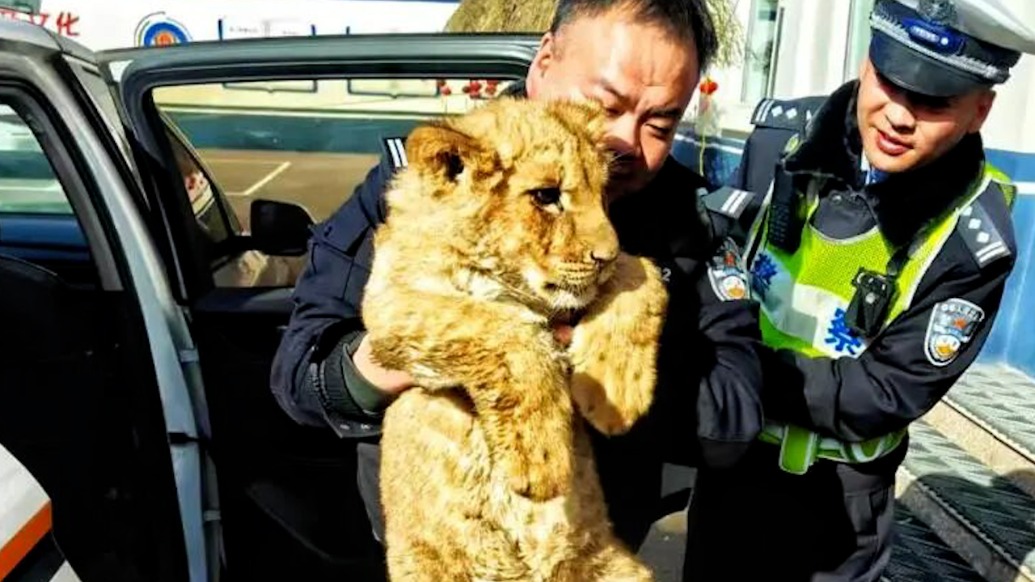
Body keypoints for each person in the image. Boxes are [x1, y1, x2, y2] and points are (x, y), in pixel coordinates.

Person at [270, 0, 765, 567]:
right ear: (545, 61)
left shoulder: (690, 220)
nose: (622, 142)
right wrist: (445, 346)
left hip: (580, 552)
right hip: (439, 552)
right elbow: (302, 377)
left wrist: (596, 352)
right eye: (605, 105)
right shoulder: (440, 178)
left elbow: (735, 416)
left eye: (660, 122)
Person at [684, 0, 1035, 580]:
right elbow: (722, 273)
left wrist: (733, 367)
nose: (899, 115)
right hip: (730, 471)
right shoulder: (779, 142)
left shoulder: (973, 239)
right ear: (866, 60)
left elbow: (881, 395)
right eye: (889, 82)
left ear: (981, 110)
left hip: (838, 511)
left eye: (932, 102)